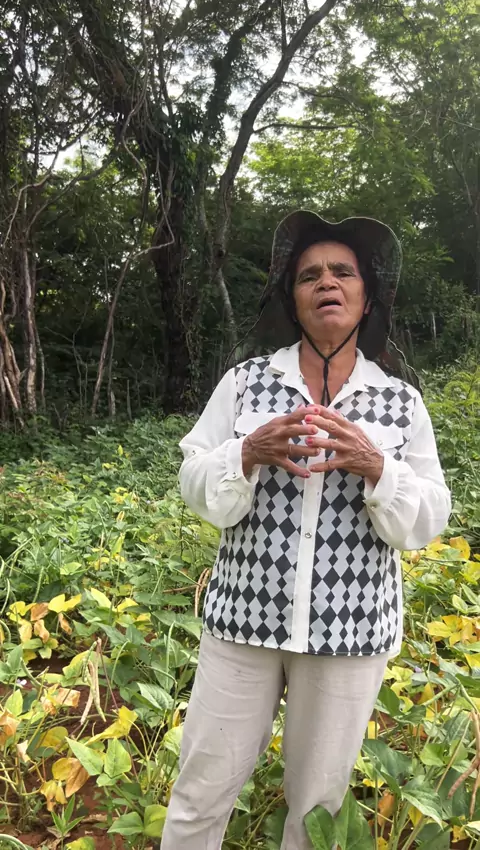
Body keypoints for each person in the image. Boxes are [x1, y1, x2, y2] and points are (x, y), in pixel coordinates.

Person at [160, 210, 451, 850]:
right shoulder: (246, 384)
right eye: (309, 275)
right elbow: (192, 478)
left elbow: (430, 515)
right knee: (201, 791)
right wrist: (246, 452)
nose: (326, 283)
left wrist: (376, 465)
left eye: (343, 272)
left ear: (367, 297)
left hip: (350, 633)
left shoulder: (400, 402)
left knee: (318, 809)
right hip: (244, 622)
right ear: (292, 301)